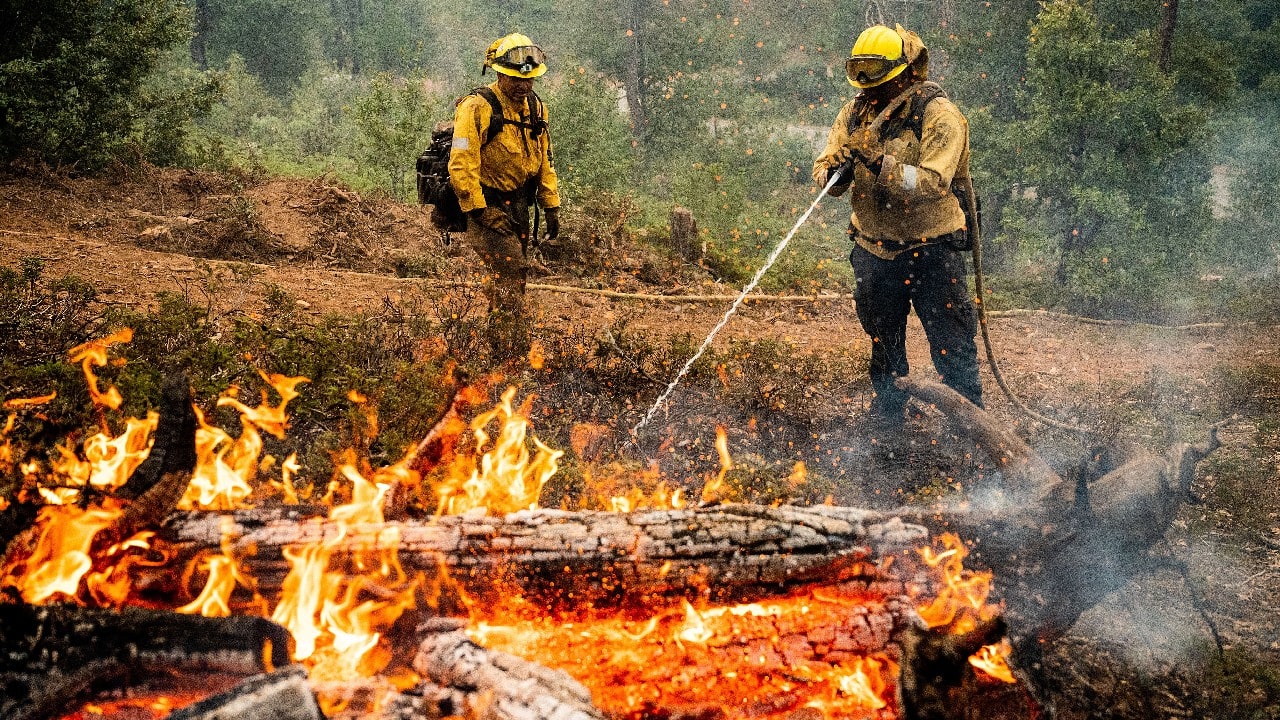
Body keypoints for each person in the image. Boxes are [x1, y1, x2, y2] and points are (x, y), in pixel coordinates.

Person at [812, 24, 983, 427]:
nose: (870, 90)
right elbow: (823, 167)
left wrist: (880, 165)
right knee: (884, 346)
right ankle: (889, 424)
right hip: (874, 251)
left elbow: (932, 182)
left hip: (933, 252)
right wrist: (835, 174)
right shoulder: (855, 112)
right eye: (863, 76)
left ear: (907, 73)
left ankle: (973, 434)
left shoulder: (939, 115)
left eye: (879, 79)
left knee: (953, 349)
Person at [449, 33, 561, 357]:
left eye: (529, 79)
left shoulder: (537, 109)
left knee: (512, 277)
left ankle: (501, 347)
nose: (523, 85)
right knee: (511, 269)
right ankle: (507, 349)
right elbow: (461, 162)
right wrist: (478, 210)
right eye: (515, 78)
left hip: (520, 205)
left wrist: (551, 204)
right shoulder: (477, 107)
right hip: (487, 204)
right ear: (499, 73)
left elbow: (544, 160)